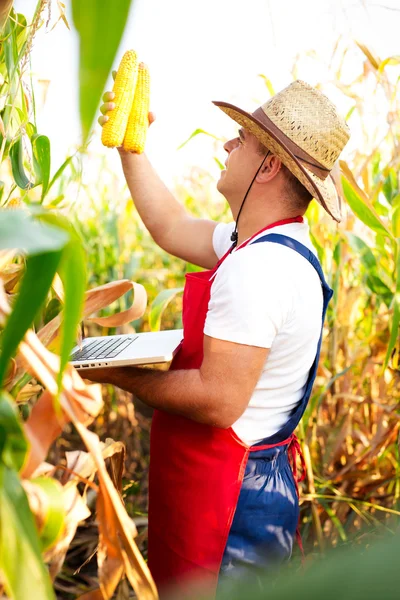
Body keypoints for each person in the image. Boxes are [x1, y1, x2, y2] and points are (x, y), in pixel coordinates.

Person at [83, 79, 350, 597]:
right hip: (239, 485)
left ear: (268, 166)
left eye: (241, 140)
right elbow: (171, 225)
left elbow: (217, 400)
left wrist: (115, 371)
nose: (228, 146)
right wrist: (129, 149)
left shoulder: (263, 268)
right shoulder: (265, 243)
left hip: (229, 508)